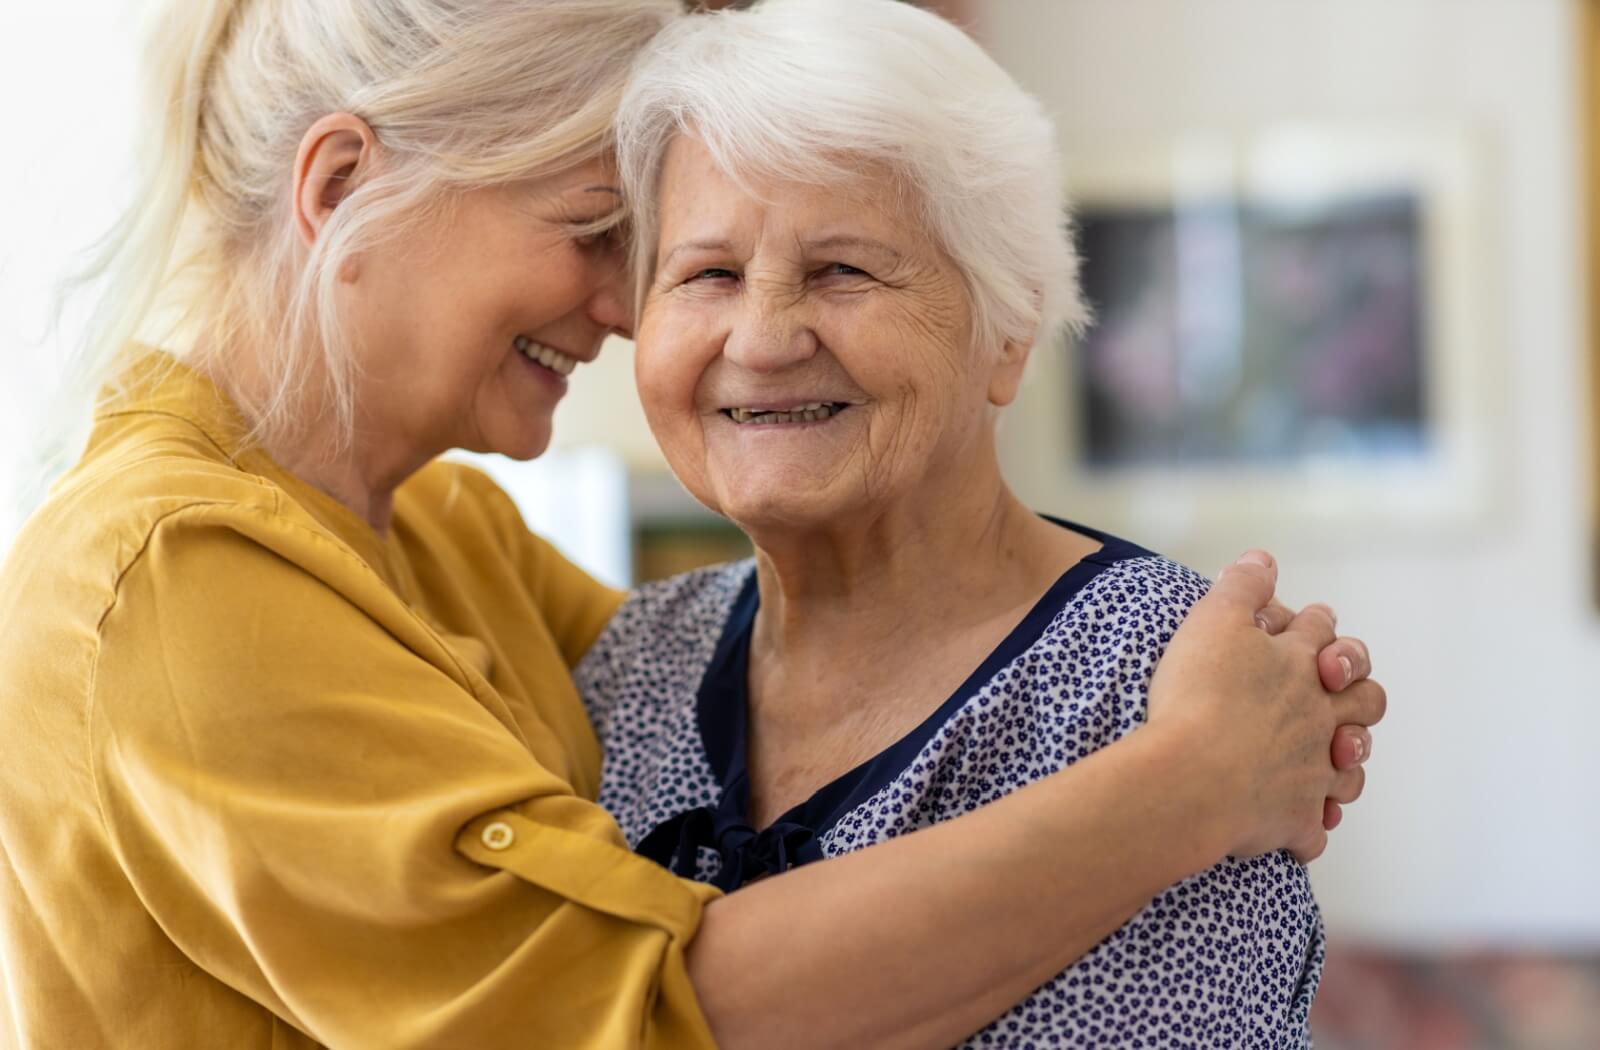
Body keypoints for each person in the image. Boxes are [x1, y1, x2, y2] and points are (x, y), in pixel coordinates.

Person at [0, 1, 1382, 1047]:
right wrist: (1189, 778)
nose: (624, 305)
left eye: (846, 265)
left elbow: (793, 685)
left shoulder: (448, 534)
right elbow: (640, 1007)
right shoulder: (168, 577)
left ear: (1009, 329)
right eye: (631, 243)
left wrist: (1246, 722)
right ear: (343, 184)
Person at [577, 1, 1375, 1046]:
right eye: (707, 274)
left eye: (842, 270)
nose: (762, 338)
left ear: (1007, 332)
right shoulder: (624, 663)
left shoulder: (1178, 681)